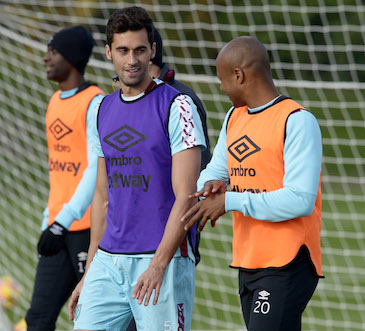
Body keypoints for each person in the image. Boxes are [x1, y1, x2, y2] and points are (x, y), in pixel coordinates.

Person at [67, 6, 206, 331]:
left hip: (163, 259)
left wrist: (158, 265)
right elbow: (102, 197)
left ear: (152, 50)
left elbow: (186, 197)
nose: (132, 60)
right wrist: (89, 273)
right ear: (108, 52)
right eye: (123, 50)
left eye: (140, 50)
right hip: (108, 259)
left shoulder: (177, 106)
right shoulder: (100, 109)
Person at [182, 36, 323, 331]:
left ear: (239, 75)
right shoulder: (235, 117)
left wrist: (229, 200)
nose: (221, 88)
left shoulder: (297, 120)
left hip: (288, 262)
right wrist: (210, 185)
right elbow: (216, 170)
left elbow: (300, 199)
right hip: (249, 260)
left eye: (223, 79)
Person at [25, 26, 105, 331]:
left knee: (91, 319)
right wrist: (50, 220)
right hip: (57, 227)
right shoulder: (54, 100)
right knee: (38, 318)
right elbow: (58, 169)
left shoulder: (96, 101)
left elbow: (95, 169)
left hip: (87, 228)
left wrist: (65, 218)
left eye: (53, 51)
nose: (46, 57)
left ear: (71, 57)